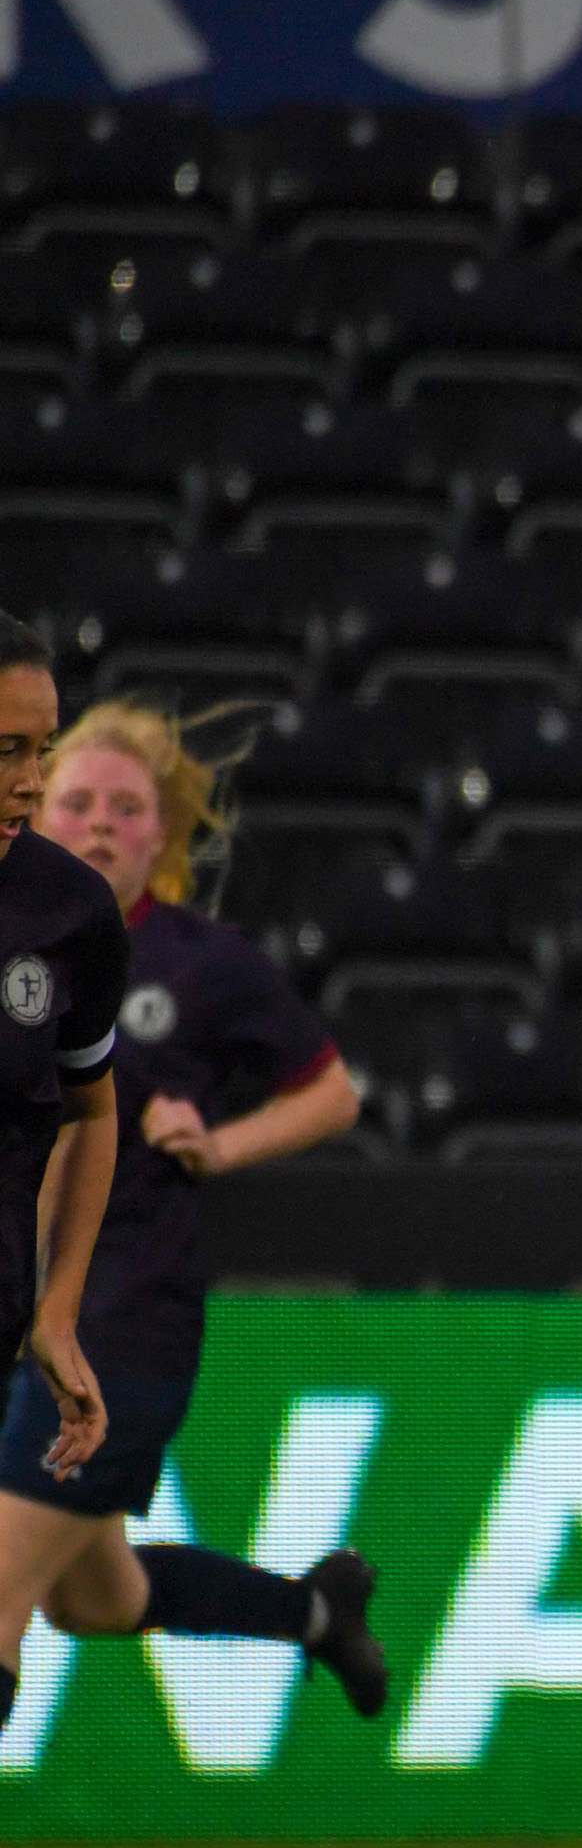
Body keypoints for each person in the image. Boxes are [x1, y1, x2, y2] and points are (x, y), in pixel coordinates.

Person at [3, 697, 383, 1733]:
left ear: (160, 836)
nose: (98, 821)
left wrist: (222, 1144)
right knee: (95, 1598)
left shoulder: (199, 962)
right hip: (23, 1305)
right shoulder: (24, 941)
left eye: (126, 808)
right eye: (76, 799)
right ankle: (315, 1611)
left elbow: (332, 1092)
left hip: (124, 1323)